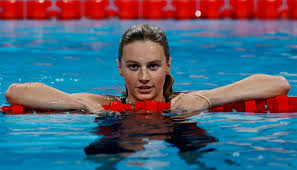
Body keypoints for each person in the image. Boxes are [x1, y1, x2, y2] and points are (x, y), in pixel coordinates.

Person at [4, 24, 291, 114]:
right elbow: (16, 92)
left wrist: (207, 98)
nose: (143, 77)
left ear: (168, 66)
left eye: (153, 66)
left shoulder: (184, 100)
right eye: (133, 67)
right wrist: (77, 103)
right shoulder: (102, 104)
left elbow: (278, 84)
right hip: (114, 134)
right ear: (120, 68)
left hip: (178, 132)